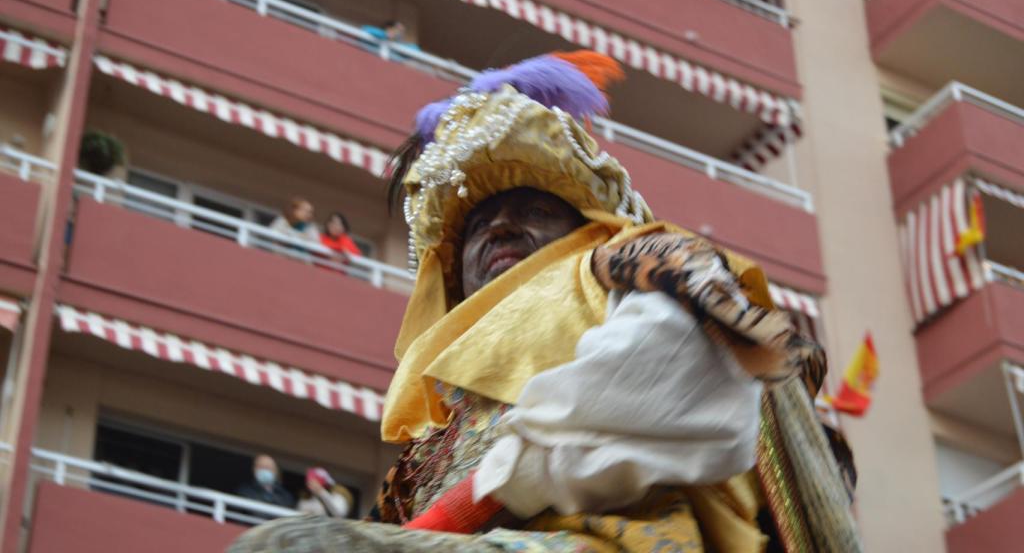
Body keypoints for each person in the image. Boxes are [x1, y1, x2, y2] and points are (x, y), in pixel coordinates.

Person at [231, 52, 859, 552]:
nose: (502, 229)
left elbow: (669, 385)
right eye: (481, 225)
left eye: (532, 210)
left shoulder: (627, 263)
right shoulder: (437, 436)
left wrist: (474, 500)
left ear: (586, 225)